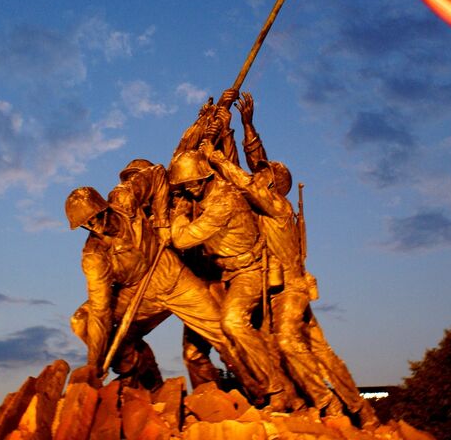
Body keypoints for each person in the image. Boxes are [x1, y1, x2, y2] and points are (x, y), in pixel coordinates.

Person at [226, 92, 379, 425]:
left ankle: (327, 402)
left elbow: (243, 179)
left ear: (274, 185)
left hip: (291, 289)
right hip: (278, 289)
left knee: (288, 341)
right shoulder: (266, 202)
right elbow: (252, 162)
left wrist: (216, 157)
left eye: (264, 175)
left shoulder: (277, 206)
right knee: (319, 350)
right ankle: (360, 408)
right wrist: (244, 125)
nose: (258, 174)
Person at [65, 163, 246, 389]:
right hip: (138, 294)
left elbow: (158, 173)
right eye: (87, 223)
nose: (95, 225)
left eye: (95, 217)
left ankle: (257, 388)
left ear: (104, 207)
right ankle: (146, 381)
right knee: (83, 320)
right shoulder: (95, 255)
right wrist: (95, 363)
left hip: (180, 279)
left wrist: (161, 222)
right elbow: (100, 309)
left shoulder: (170, 201)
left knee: (222, 335)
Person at [168, 148, 296, 411]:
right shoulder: (208, 194)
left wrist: (179, 212)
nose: (189, 190)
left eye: (191, 184)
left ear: (205, 178)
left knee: (233, 322)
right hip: (219, 273)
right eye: (183, 186)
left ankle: (279, 389)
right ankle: (212, 402)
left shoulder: (223, 201)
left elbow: (181, 238)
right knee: (194, 345)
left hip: (248, 272)